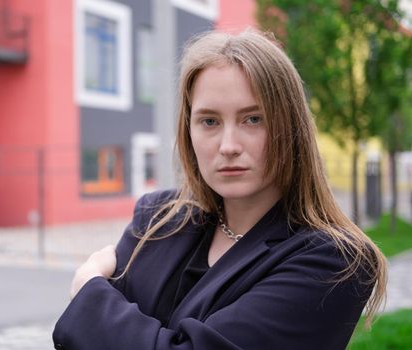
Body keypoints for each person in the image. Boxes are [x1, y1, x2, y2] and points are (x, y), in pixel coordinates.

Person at [52, 29, 387, 350]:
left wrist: (89, 290)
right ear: (189, 130)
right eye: (209, 121)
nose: (228, 146)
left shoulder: (334, 261)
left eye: (253, 119)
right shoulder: (157, 220)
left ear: (291, 127)